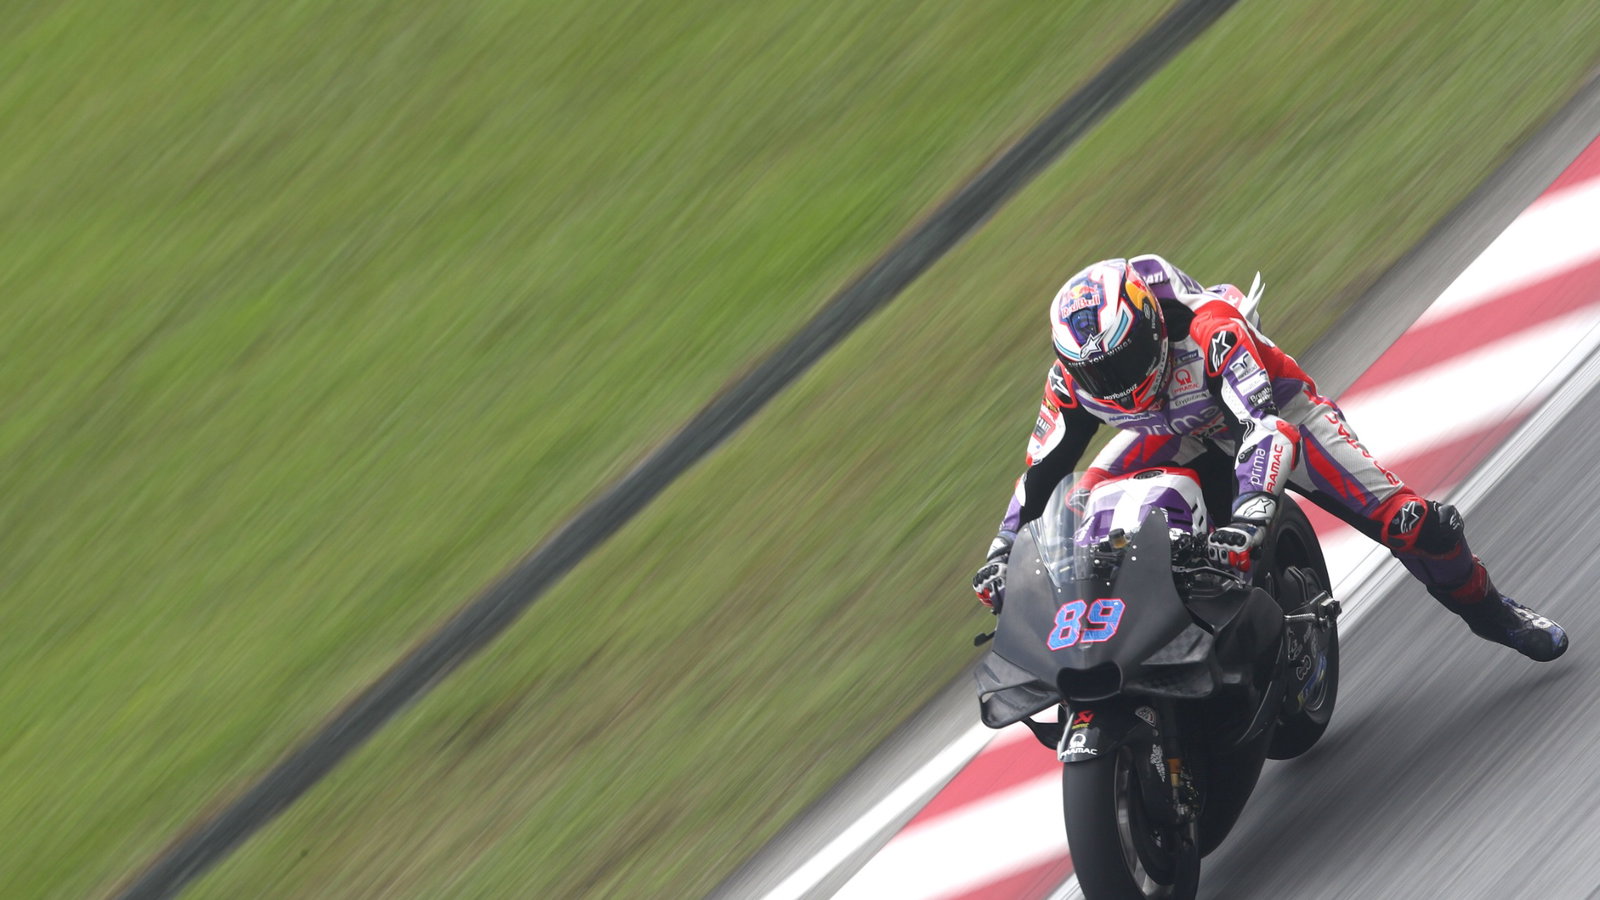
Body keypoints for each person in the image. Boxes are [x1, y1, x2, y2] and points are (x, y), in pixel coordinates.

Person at [971, 255, 1567, 661]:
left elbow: (1263, 428)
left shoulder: (1211, 330)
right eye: (1095, 372)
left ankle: (1493, 612)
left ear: (1151, 325)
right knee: (1081, 504)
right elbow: (1042, 474)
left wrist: (1252, 514)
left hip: (1274, 417)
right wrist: (1005, 556)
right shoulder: (1069, 384)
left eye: (1123, 361)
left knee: (1413, 524)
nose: (1114, 382)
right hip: (1169, 431)